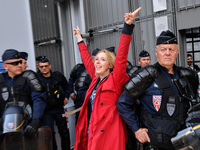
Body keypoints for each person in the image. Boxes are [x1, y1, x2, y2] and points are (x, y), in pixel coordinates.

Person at [117, 30, 199, 150]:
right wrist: (137, 129)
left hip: (183, 142)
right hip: (156, 144)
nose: (167, 53)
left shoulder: (186, 75)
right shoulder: (147, 75)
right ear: (156, 52)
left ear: (177, 52)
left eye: (171, 49)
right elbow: (122, 103)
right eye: (163, 49)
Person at [73, 7, 141, 150]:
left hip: (110, 133)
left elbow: (122, 55)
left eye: (102, 60)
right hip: (93, 131)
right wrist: (79, 39)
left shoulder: (116, 79)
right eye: (96, 59)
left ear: (110, 64)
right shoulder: (95, 79)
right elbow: (86, 59)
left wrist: (127, 26)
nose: (97, 62)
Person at [0, 49, 46, 137]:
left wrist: (36, 120)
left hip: (29, 128)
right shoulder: (1, 81)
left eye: (20, 62)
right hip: (5, 132)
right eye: (15, 63)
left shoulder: (29, 77)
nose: (20, 65)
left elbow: (39, 99)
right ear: (5, 66)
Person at [37, 56, 70, 150]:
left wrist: (66, 96)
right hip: (46, 111)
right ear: (39, 67)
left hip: (59, 109)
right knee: (49, 135)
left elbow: (67, 87)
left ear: (50, 66)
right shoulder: (37, 79)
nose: (44, 68)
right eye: (42, 66)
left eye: (46, 66)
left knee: (64, 132)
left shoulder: (58, 76)